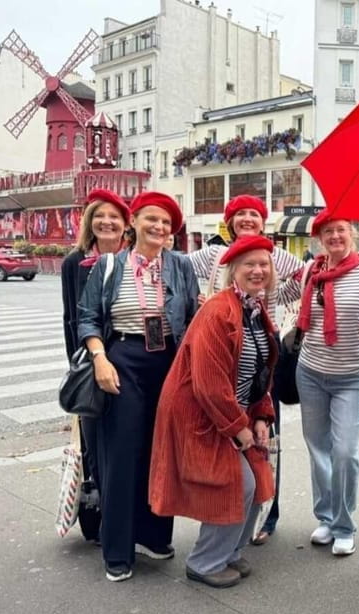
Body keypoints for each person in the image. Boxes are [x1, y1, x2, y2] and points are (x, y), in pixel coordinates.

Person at [77, 191, 199, 582]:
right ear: (134, 223)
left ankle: (154, 534)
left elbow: (194, 316)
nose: (159, 227)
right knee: (122, 454)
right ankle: (117, 549)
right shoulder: (110, 265)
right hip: (122, 360)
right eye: (151, 219)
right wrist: (100, 359)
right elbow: (87, 317)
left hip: (167, 362)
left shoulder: (179, 265)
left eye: (165, 223)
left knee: (161, 451)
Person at [150, 235, 278, 588]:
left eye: (263, 264)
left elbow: (260, 371)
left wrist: (262, 415)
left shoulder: (253, 308)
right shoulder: (219, 310)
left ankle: (229, 552)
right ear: (233, 271)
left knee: (256, 478)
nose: (257, 270)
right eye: (249, 264)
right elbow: (208, 382)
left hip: (231, 412)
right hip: (202, 414)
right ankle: (204, 562)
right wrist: (239, 427)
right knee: (237, 484)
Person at [188, 194, 303, 543]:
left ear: (263, 220)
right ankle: (224, 517)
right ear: (230, 222)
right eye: (241, 215)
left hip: (262, 354)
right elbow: (177, 269)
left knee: (267, 437)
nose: (248, 219)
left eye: (254, 214)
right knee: (222, 439)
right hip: (224, 351)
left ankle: (267, 515)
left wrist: (283, 306)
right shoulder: (212, 255)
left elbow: (303, 276)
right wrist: (203, 304)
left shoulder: (273, 254)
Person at [278, 209, 359, 555]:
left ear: (351, 232)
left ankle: (344, 524)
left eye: (340, 230)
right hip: (309, 371)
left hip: (351, 377)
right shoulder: (312, 269)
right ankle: (325, 517)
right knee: (318, 449)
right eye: (327, 232)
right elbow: (280, 295)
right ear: (319, 238)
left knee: (344, 453)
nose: (334, 237)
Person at [61, 189, 130, 543]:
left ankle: (126, 516)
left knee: (126, 442)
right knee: (93, 443)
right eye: (100, 216)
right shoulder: (75, 263)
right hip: (92, 364)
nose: (107, 222)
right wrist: (80, 371)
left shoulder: (133, 261)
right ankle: (101, 515)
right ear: (90, 221)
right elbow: (71, 317)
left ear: (124, 225)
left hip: (128, 363)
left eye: (114, 217)